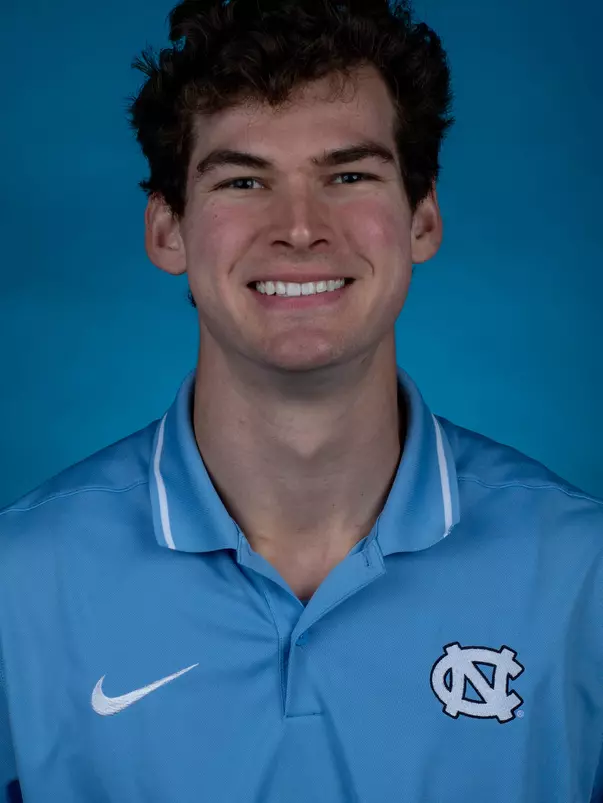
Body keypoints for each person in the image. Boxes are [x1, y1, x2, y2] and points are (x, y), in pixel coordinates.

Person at [1, 0, 602, 800]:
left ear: (421, 220)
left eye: (347, 175)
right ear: (167, 231)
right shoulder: (17, 586)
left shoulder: (582, 577)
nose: (299, 227)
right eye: (244, 179)